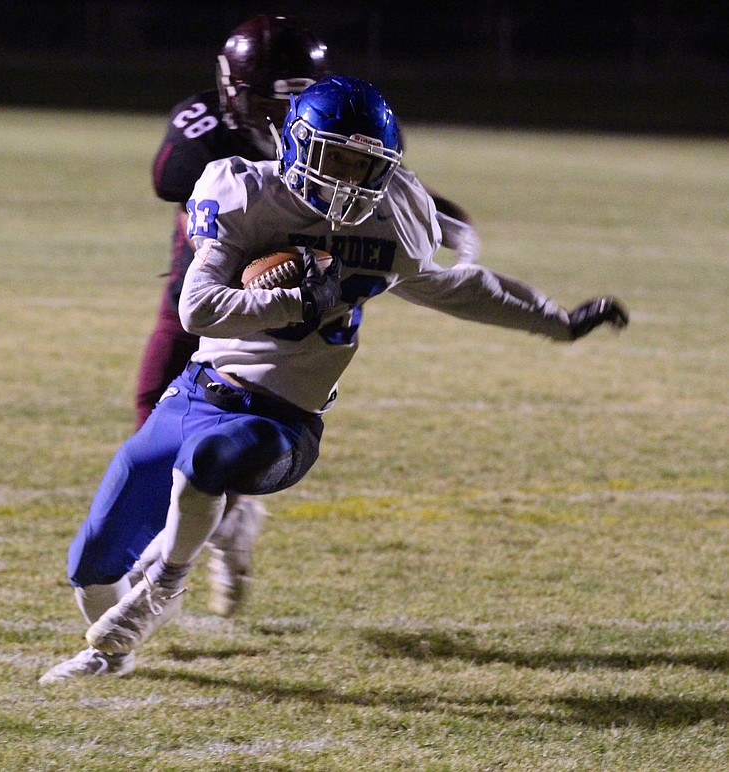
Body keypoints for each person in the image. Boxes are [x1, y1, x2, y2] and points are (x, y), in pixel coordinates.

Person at [43, 75, 627, 680]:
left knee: (209, 461)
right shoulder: (243, 190)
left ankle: (163, 586)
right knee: (92, 559)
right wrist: (301, 299)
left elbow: (456, 289)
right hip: (197, 390)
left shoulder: (391, 218)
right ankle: (111, 654)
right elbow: (197, 309)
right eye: (335, 158)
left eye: (365, 164)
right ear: (295, 145)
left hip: (284, 419)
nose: (349, 179)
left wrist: (556, 321)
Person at [132, 15, 483, 624]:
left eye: (295, 98)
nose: (281, 108)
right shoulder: (207, 128)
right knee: (151, 412)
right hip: (204, 291)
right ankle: (224, 524)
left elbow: (384, 190)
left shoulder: (342, 133)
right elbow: (174, 182)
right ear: (236, 90)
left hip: (291, 309)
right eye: (270, 97)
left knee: (230, 439)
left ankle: (198, 537)